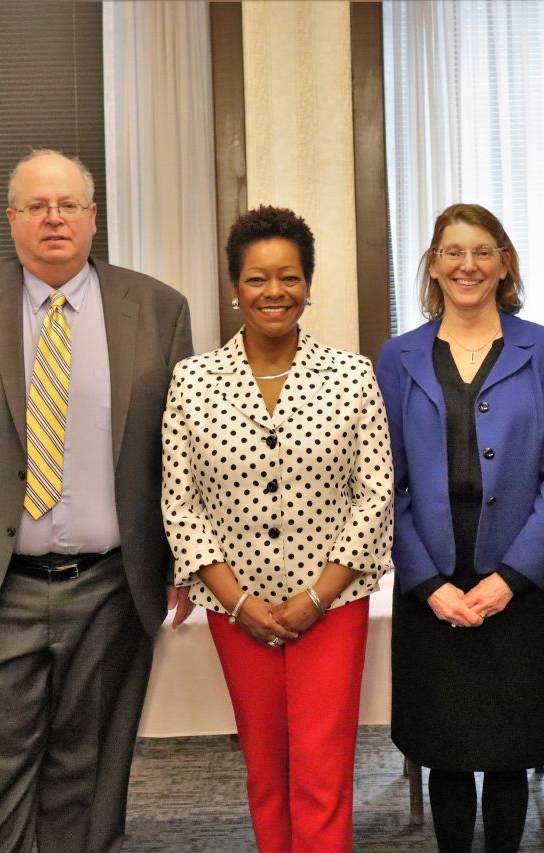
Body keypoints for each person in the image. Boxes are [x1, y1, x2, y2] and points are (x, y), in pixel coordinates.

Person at [0, 149, 194, 852]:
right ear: (12, 219)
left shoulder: (156, 308)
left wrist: (187, 560)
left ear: (94, 218)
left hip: (112, 588)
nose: (53, 218)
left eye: (68, 205)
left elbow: (181, 453)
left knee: (86, 770)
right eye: (37, 206)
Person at [161, 205, 393, 853]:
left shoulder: (352, 376)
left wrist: (317, 595)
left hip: (333, 604)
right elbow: (181, 504)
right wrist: (236, 601)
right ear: (234, 287)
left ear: (309, 285)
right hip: (235, 607)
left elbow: (374, 495)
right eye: (257, 279)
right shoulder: (193, 381)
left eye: (289, 277)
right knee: (265, 772)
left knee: (322, 775)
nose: (274, 292)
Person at [377, 203, 544, 853]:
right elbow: (388, 483)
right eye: (452, 251)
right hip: (430, 576)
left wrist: (513, 577)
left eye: (482, 251)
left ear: (504, 264)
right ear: (434, 265)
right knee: (447, 745)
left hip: (518, 577)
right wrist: (426, 581)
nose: (467, 264)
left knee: (508, 745)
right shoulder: (398, 356)